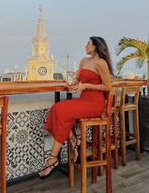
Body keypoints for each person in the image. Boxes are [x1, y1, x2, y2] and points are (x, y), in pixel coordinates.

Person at [39, 36, 113, 179]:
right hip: (83, 99)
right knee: (56, 108)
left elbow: (108, 86)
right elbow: (77, 80)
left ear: (96, 46)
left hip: (95, 103)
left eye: (88, 43)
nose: (85, 46)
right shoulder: (83, 61)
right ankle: (74, 140)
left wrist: (86, 85)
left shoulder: (101, 63)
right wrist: (72, 85)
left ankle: (52, 159)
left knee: (61, 111)